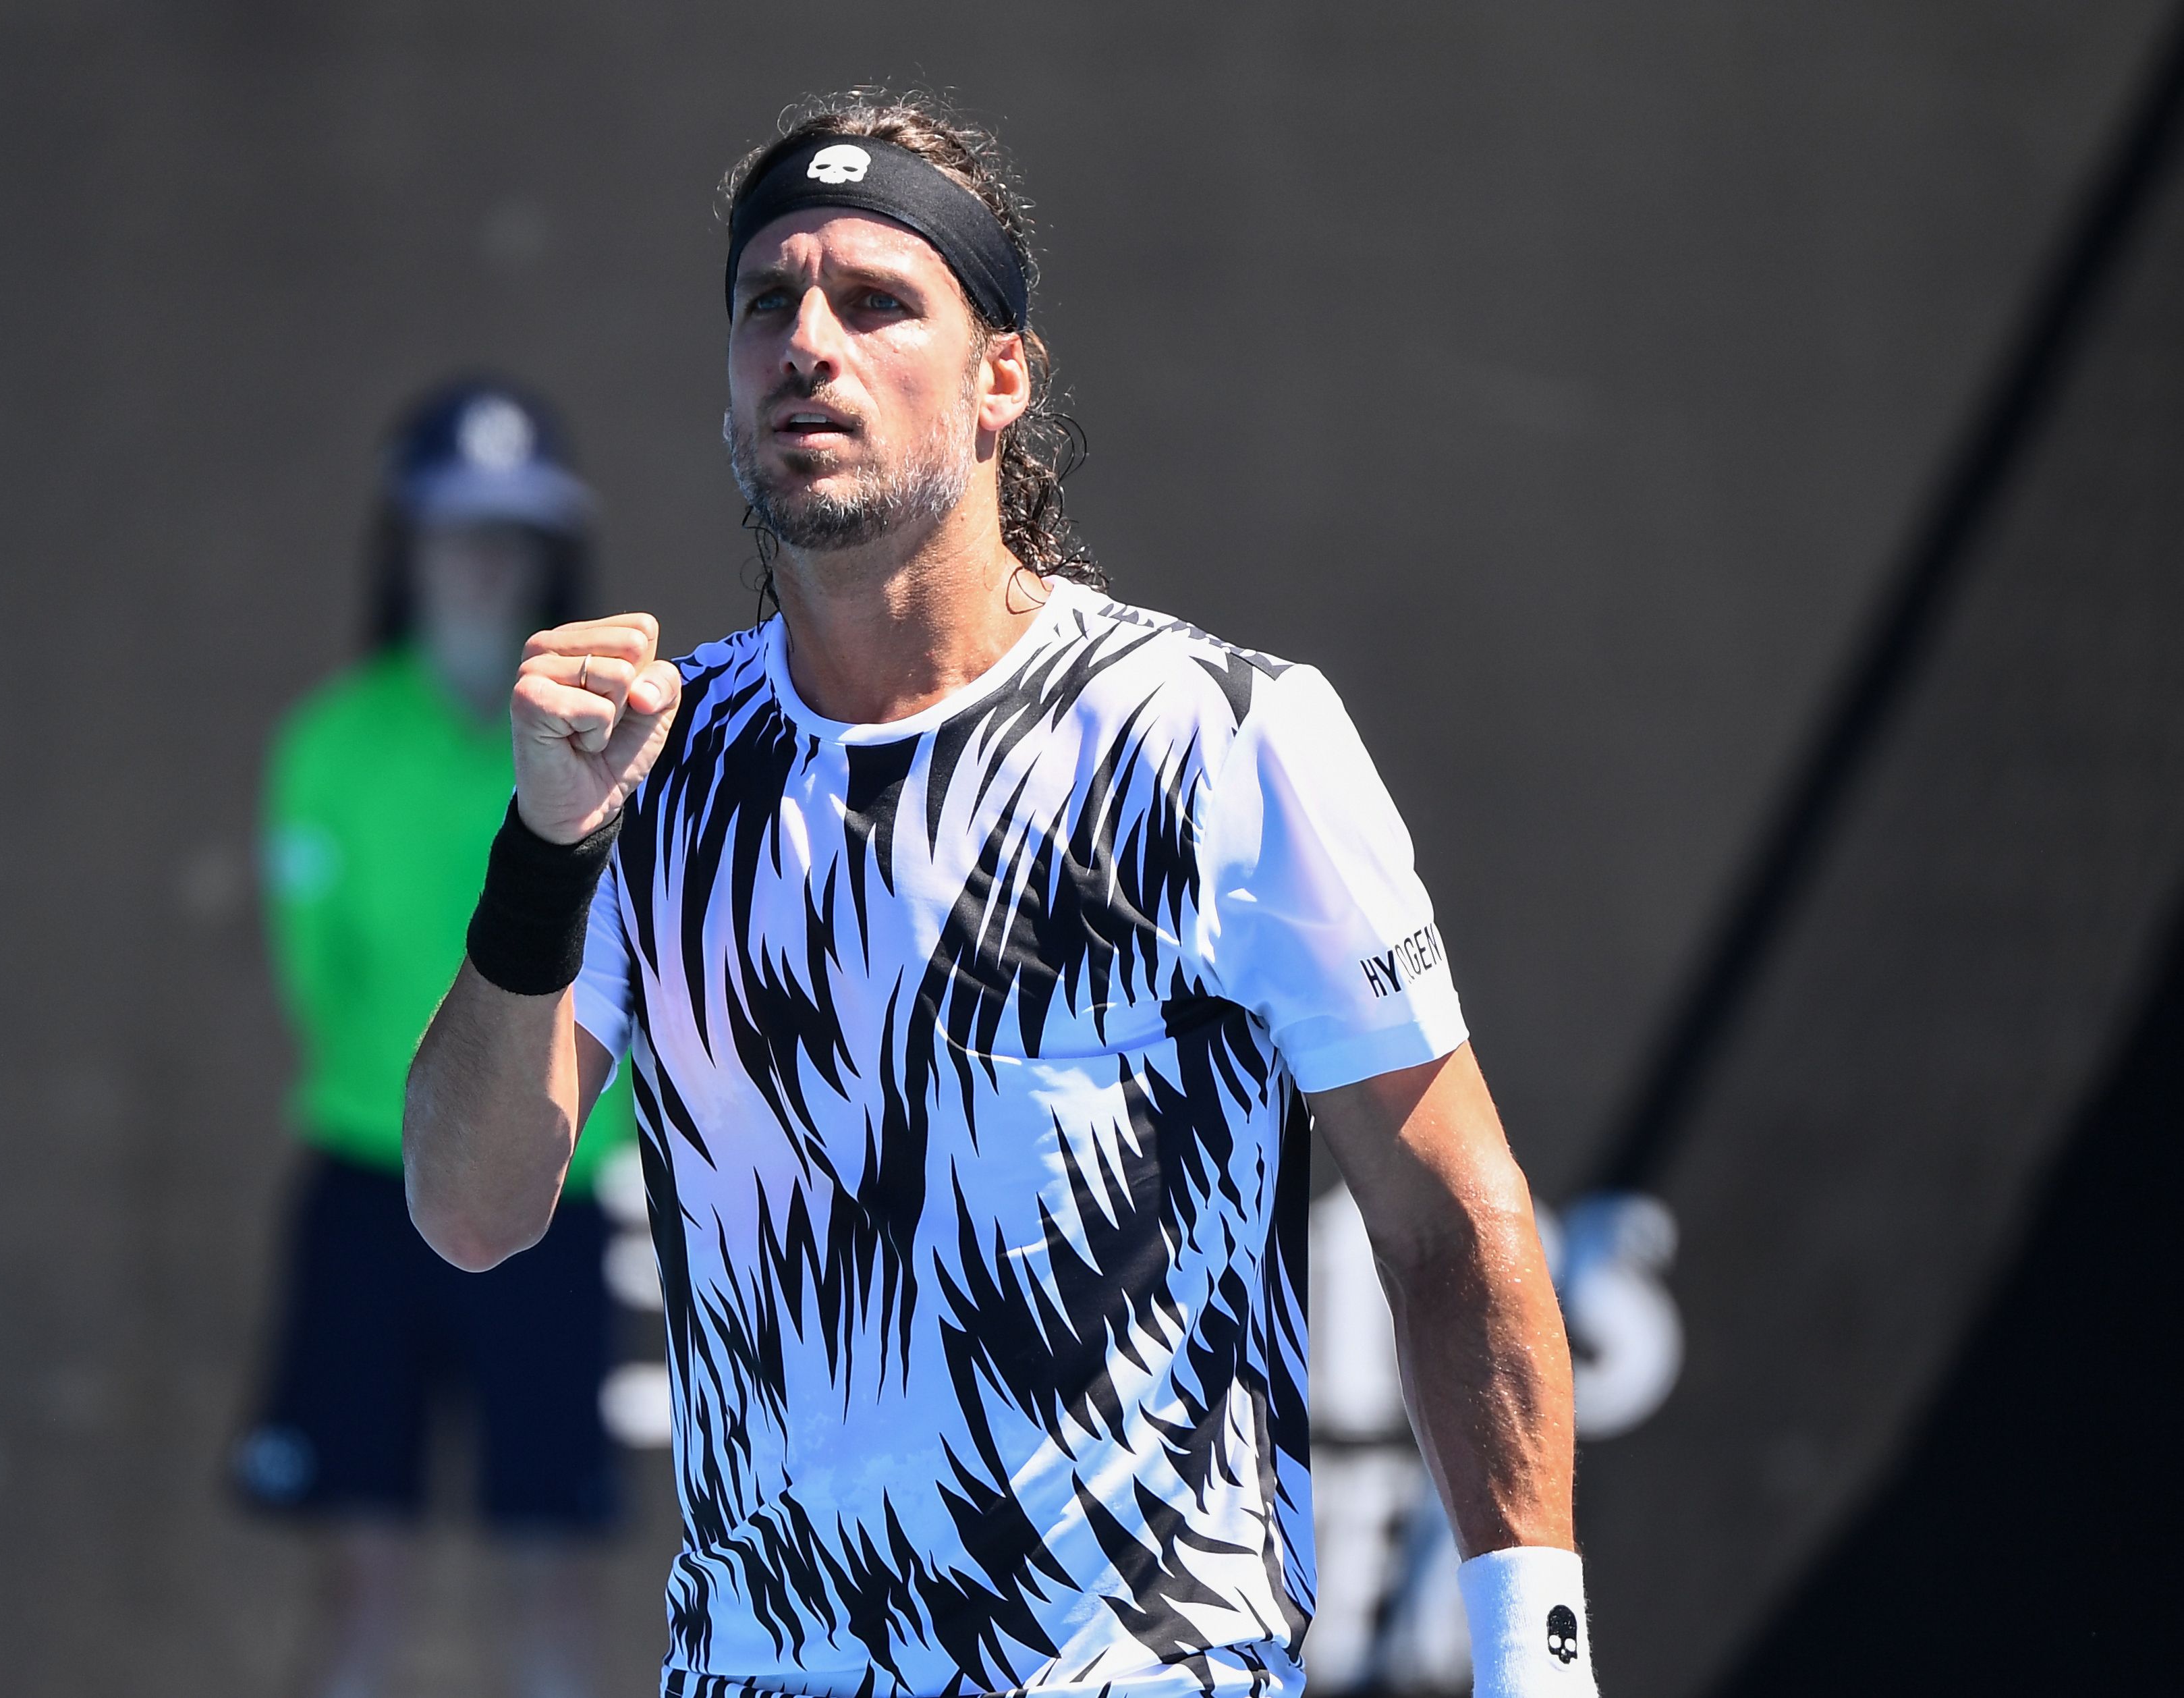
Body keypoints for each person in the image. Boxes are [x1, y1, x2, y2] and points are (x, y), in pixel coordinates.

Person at [407, 91, 1600, 1698]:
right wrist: (546, 851)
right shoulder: (651, 772)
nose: (807, 341)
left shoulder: (1226, 738)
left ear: (1000, 381)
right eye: (769, 301)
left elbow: (1454, 1223)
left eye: (877, 299)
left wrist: (1545, 1667)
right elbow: (473, 1210)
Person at [233, 377, 636, 1698]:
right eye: (456, 529)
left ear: (551, 553)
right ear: (405, 545)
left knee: (556, 1585)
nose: (483, 562)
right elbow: (324, 990)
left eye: (511, 533)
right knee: (359, 1584)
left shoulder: (615, 752)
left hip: (561, 1201)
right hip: (367, 1191)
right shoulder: (330, 749)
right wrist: (429, 1120)